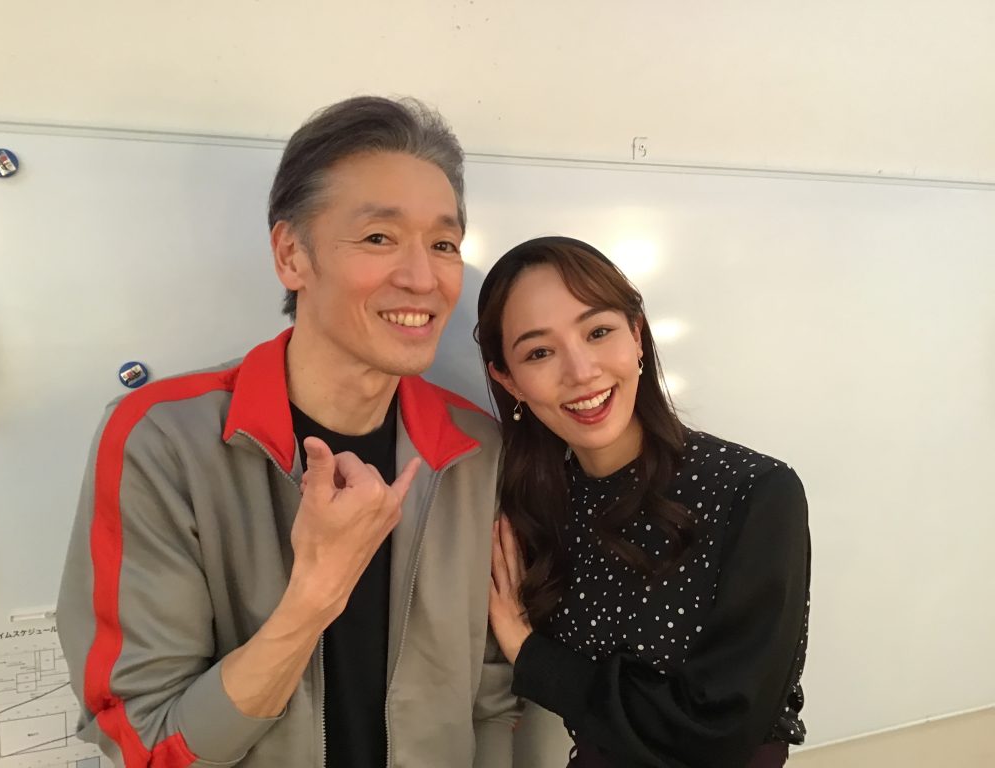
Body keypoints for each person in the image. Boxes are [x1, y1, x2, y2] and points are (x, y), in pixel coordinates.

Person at [57, 96, 519, 768]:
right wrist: (314, 596)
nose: (423, 278)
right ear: (291, 255)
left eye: (443, 245)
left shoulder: (474, 450)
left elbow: (495, 699)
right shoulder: (163, 441)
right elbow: (150, 740)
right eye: (379, 238)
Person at [476, 236, 810, 768]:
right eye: (539, 352)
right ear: (508, 380)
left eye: (598, 332)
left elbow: (723, 728)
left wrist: (528, 652)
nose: (581, 371)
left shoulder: (754, 492)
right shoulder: (534, 511)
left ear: (637, 335)